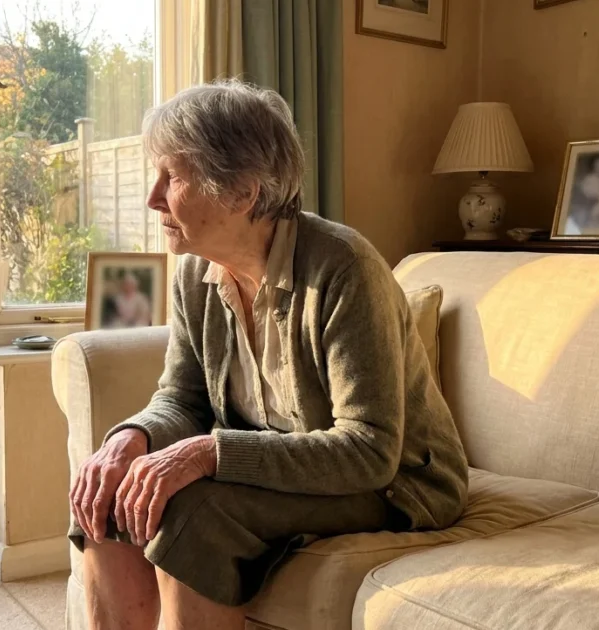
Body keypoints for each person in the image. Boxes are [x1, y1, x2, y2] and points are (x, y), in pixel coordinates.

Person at [68, 80, 468, 630]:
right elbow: (181, 397)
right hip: (291, 461)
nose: (152, 197)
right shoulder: (195, 272)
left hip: (398, 482)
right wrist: (130, 439)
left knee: (193, 513)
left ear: (243, 194)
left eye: (173, 176)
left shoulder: (344, 269)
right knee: (113, 492)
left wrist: (207, 454)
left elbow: (370, 450)